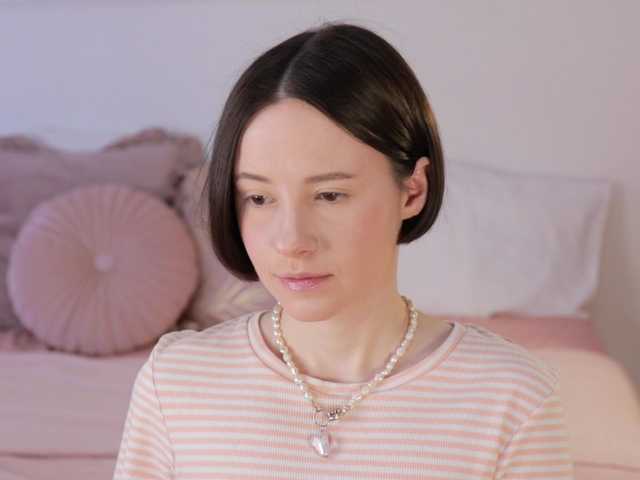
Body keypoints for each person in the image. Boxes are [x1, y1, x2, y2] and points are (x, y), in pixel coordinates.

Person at [113, 21, 575, 479]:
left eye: (330, 195)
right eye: (259, 198)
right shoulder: (174, 381)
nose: (291, 241)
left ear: (412, 191)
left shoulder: (511, 398)